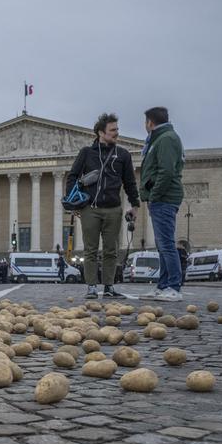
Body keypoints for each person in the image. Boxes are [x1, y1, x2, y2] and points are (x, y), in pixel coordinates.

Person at [65, 113, 140, 299]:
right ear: (101, 132)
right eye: (112, 130)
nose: (116, 133)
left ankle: (108, 286)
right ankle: (91, 286)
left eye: (117, 129)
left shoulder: (122, 155)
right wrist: (72, 201)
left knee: (111, 250)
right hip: (90, 208)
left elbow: (130, 182)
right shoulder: (86, 153)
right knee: (90, 249)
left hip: (113, 209)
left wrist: (135, 205)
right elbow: (73, 176)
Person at [139, 106, 186, 301]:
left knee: (166, 244)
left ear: (150, 122)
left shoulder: (165, 139)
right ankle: (163, 285)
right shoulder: (160, 138)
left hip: (164, 198)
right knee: (162, 245)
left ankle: (174, 287)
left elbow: (166, 172)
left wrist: (155, 195)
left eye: (145, 122)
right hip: (162, 198)